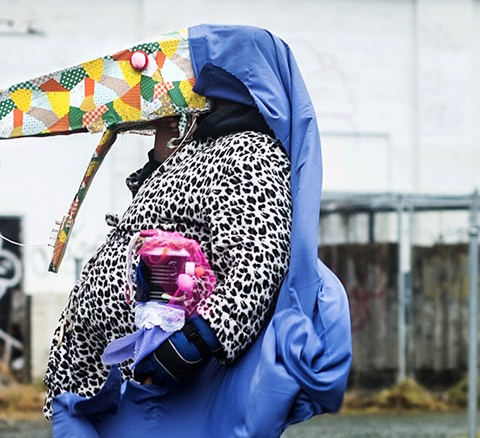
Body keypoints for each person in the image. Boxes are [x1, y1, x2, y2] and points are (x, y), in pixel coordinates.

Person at [43, 97, 293, 418]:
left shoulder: (248, 151)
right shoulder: (196, 151)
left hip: (157, 391)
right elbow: (160, 222)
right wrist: (162, 155)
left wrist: (193, 342)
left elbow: (259, 262)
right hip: (95, 384)